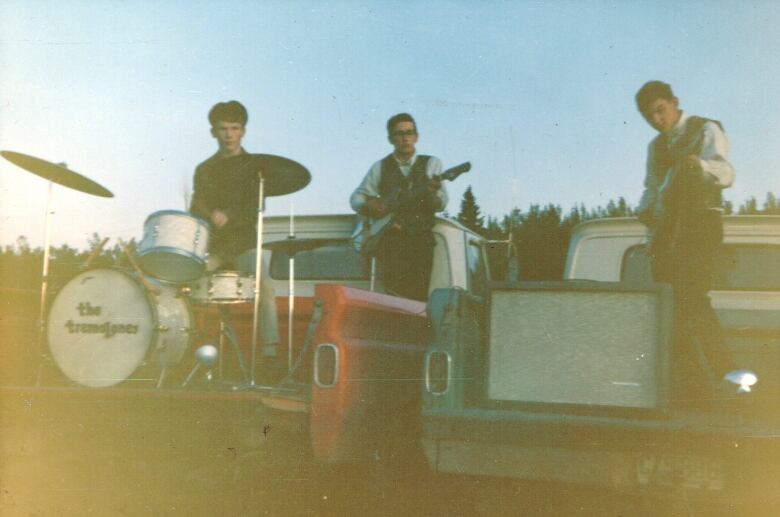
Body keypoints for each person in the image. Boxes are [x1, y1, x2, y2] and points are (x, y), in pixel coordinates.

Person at [634, 81, 736, 390]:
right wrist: (645, 211)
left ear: (674, 103)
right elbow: (652, 186)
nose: (656, 120)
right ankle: (693, 387)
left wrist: (701, 165)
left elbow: (727, 173)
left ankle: (732, 380)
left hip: (700, 225)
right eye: (647, 116)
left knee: (693, 301)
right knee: (669, 307)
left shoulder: (704, 129)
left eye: (660, 111)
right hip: (668, 231)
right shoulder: (656, 147)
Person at [190, 100, 281, 379]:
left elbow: (256, 208)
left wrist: (228, 214)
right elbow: (196, 205)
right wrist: (210, 213)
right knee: (188, 282)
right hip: (215, 247)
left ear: (243, 131)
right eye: (222, 129)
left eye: (234, 128)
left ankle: (270, 354)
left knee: (264, 286)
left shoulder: (256, 167)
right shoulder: (204, 169)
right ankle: (190, 346)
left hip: (243, 245)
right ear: (212, 133)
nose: (229, 134)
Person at [350, 113, 448, 301]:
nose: (405, 138)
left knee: (420, 299)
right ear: (390, 139)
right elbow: (356, 197)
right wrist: (368, 205)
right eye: (399, 133)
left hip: (421, 241)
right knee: (395, 298)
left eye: (409, 132)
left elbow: (442, 203)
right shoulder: (380, 167)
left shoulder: (432, 164)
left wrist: (432, 193)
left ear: (416, 136)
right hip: (391, 242)